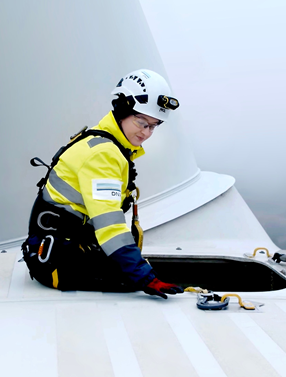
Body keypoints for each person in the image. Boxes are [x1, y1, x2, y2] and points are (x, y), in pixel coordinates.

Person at [21, 69, 185, 298]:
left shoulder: (102, 141)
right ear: (122, 111)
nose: (147, 133)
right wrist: (145, 278)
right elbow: (110, 227)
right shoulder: (103, 155)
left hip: (60, 250)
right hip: (57, 262)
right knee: (136, 283)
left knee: (139, 273)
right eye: (142, 122)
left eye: (154, 125)